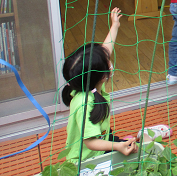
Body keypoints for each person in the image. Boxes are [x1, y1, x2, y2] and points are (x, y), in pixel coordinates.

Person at [62, 8, 171, 162]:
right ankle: (142, 137)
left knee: (133, 147)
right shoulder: (84, 104)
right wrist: (117, 147)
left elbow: (105, 50)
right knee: (146, 156)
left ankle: (135, 138)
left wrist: (115, 26)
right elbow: (90, 142)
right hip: (88, 161)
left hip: (103, 140)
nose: (109, 60)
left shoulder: (88, 84)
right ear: (103, 76)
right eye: (107, 62)